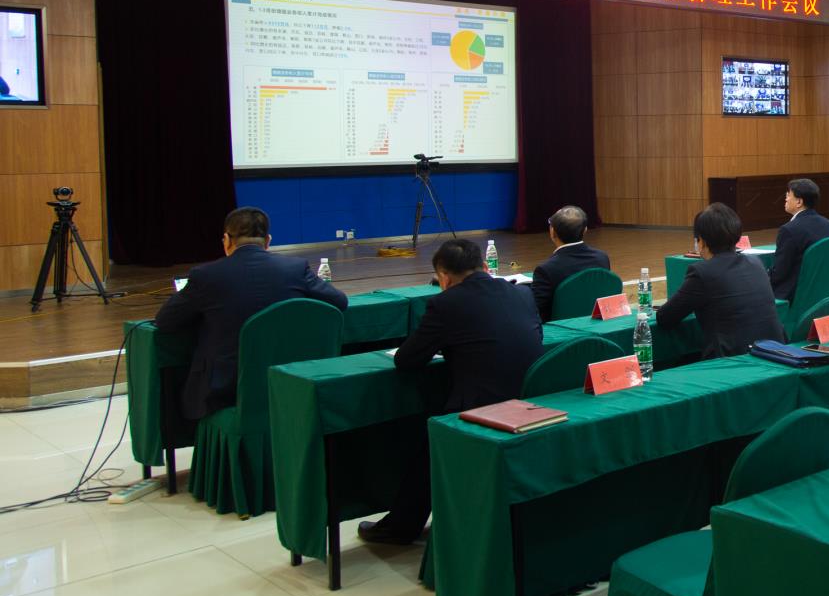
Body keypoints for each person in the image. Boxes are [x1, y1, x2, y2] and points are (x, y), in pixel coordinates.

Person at [361, 238, 543, 544]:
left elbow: (407, 360)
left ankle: (401, 527)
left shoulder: (446, 304)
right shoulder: (522, 293)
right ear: (485, 266)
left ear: (443, 278)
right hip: (531, 401)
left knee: (428, 440)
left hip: (484, 409)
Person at [155, 207, 348, 420]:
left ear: (226, 240)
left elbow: (165, 321)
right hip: (290, 380)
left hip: (225, 390)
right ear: (268, 241)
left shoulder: (205, 275)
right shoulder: (295, 269)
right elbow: (339, 301)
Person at [658, 204, 784, 361]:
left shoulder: (702, 272)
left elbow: (665, 317)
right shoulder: (755, 262)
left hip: (732, 361)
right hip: (775, 352)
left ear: (701, 242)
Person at [526, 205, 611, 322]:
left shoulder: (546, 269)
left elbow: (535, 309)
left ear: (552, 232)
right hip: (595, 323)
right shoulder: (602, 258)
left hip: (559, 327)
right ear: (585, 230)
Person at [769, 178, 829, 300]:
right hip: (825, 293)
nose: (785, 199)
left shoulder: (789, 230)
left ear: (799, 202)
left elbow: (779, 273)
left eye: (788, 195)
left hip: (794, 295)